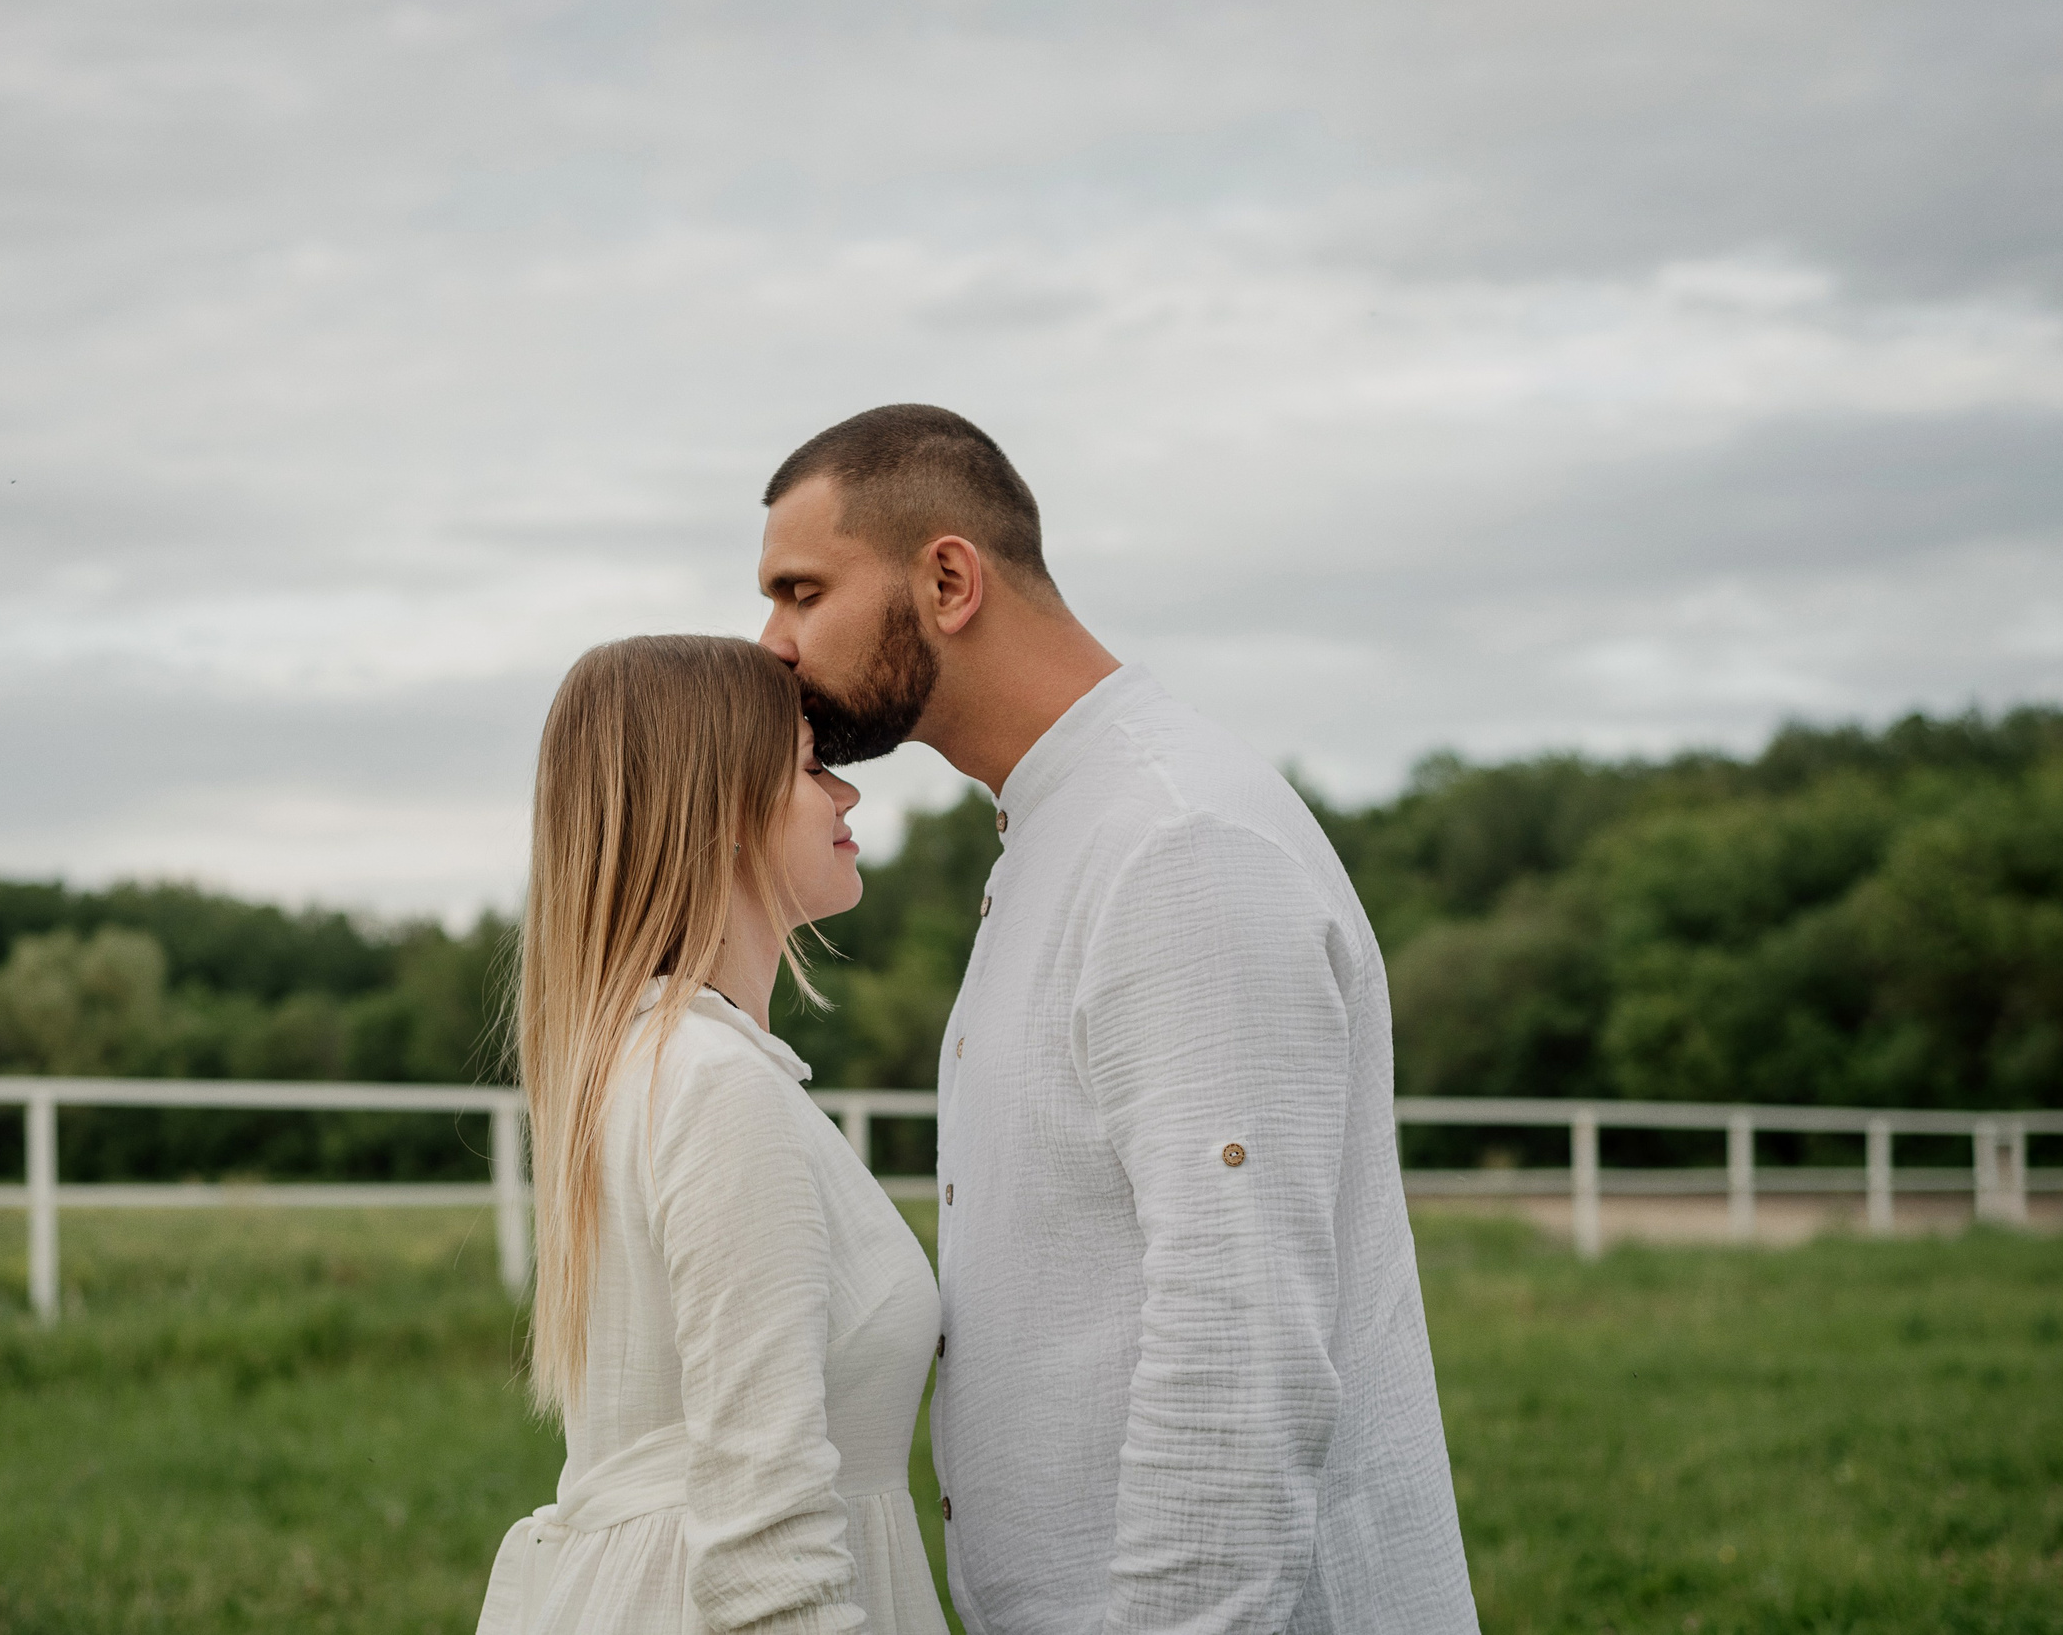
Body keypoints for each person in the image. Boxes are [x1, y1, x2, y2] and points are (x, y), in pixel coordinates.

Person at [756, 405, 1478, 1634]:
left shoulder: (1175, 841)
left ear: (946, 577)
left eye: (800, 590)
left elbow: (1235, 1336)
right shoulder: (1062, 824)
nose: (770, 643)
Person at [477, 634, 947, 1635]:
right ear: (722, 804)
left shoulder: (654, 1062)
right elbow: (766, 1552)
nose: (847, 798)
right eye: (813, 766)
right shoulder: (715, 1083)